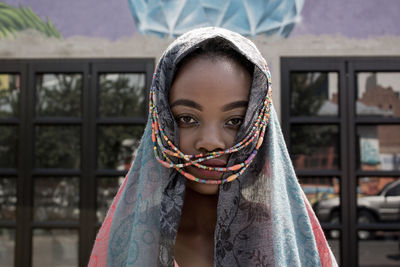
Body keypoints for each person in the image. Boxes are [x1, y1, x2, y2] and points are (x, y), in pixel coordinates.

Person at [89, 27, 338, 267]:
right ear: (161, 120)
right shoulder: (131, 238)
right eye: (187, 119)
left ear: (258, 124)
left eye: (235, 121)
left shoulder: (288, 239)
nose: (210, 142)